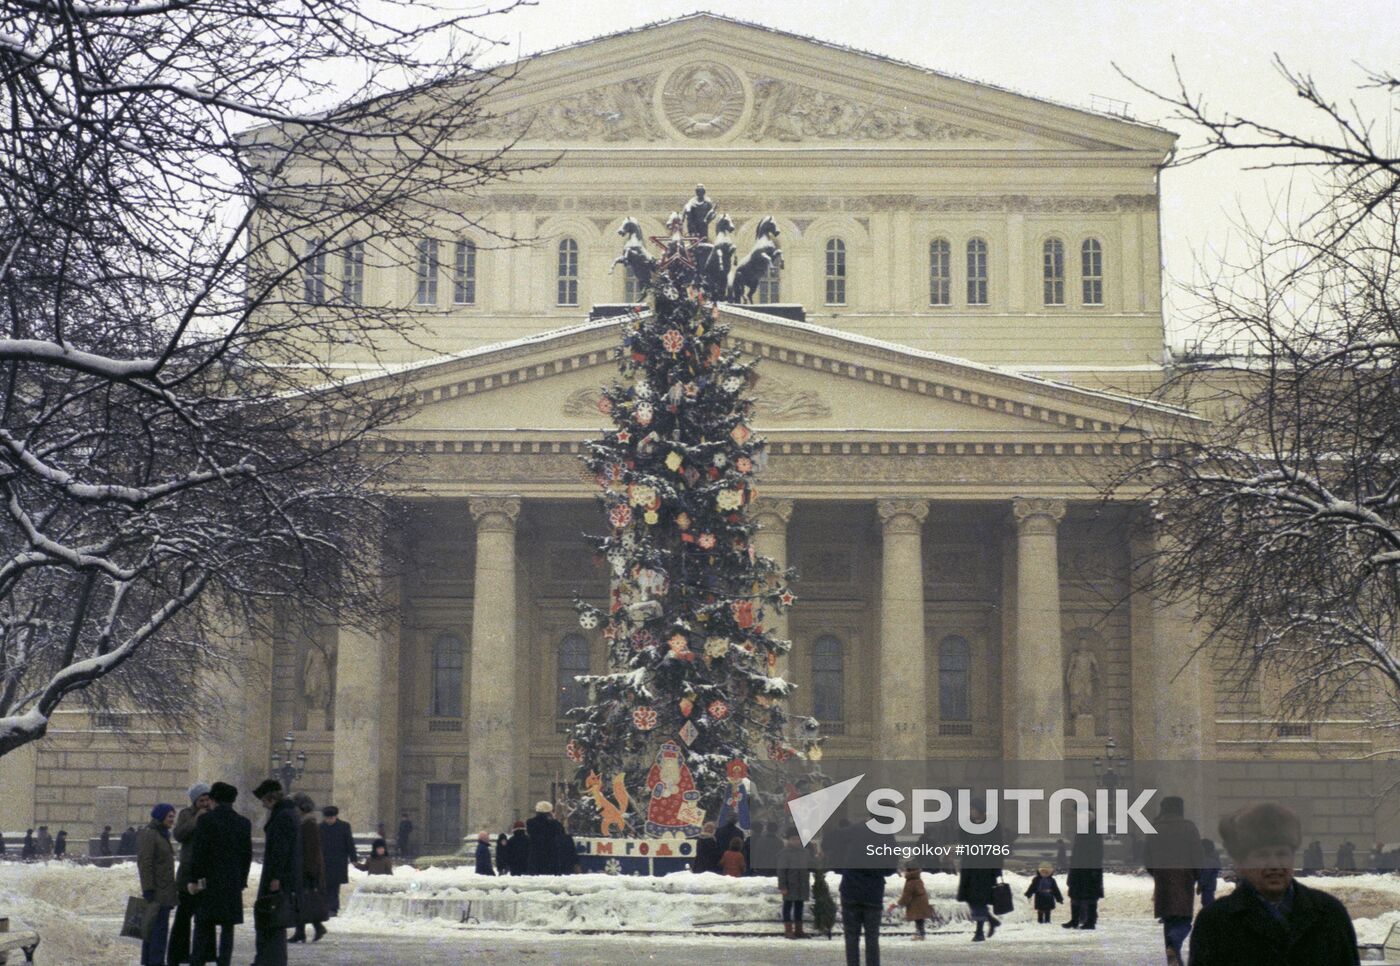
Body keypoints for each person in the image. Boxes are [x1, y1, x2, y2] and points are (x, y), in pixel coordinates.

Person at [1189, 802, 1360, 965]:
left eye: (1282, 854)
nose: (1274, 865)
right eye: (1262, 855)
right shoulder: (1214, 923)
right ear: (1241, 863)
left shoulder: (1330, 914)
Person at [188, 781, 252, 966]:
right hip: (232, 882)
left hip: (209, 882)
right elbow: (246, 856)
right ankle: (224, 962)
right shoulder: (243, 823)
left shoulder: (206, 821)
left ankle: (198, 962)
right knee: (227, 928)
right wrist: (241, 880)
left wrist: (194, 879)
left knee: (203, 925)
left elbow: (199, 853)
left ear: (214, 800)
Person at [1143, 795, 1204, 966]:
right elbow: (1197, 854)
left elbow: (1147, 856)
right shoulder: (1189, 827)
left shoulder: (1155, 828)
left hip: (1163, 879)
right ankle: (1174, 944)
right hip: (1184, 878)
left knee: (1168, 920)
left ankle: (1172, 955)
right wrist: (1199, 876)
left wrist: (1156, 873)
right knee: (1184, 920)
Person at [832, 817, 895, 966]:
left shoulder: (855, 829)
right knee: (872, 937)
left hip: (850, 890)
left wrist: (844, 864)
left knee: (851, 937)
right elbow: (891, 867)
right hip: (872, 893)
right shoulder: (886, 836)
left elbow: (833, 840)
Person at [252, 779, 299, 966]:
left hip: (277, 876)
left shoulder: (283, 816)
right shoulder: (287, 813)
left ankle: (269, 959)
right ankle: (269, 958)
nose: (263, 804)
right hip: (280, 874)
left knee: (271, 918)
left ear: (271, 798)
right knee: (273, 918)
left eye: (263, 800)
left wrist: (275, 877)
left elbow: (280, 850)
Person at [169, 781, 213, 966]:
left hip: (206, 872)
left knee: (205, 915)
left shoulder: (213, 815)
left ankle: (206, 953)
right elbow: (179, 834)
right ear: (195, 801)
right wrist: (196, 820)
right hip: (188, 873)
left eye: (206, 799)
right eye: (201, 800)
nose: (204, 803)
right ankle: (179, 954)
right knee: (184, 914)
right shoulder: (186, 814)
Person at [136, 804, 178, 966]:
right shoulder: (150, 834)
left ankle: (151, 962)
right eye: (170, 817)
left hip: (164, 892)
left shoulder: (162, 834)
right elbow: (145, 863)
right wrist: (148, 889)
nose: (172, 820)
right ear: (160, 817)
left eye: (173, 817)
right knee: (157, 932)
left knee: (153, 931)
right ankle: (155, 962)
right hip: (157, 892)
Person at [956, 799, 1003, 943]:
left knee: (979, 899)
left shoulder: (993, 826)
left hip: (985, 869)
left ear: (981, 810)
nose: (971, 811)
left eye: (973, 809)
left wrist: (997, 869)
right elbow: (963, 842)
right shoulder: (966, 825)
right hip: (969, 868)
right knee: (970, 898)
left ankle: (979, 931)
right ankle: (990, 920)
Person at [289, 793, 327, 944]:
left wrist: (311, 871)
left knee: (305, 900)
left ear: (302, 807)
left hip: (306, 869)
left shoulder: (308, 824)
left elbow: (312, 850)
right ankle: (302, 931)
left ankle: (313, 928)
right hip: (302, 867)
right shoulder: (303, 823)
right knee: (301, 900)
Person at [1064, 818, 1104, 930]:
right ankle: (1075, 920)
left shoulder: (1094, 832)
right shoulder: (1081, 831)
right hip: (1078, 867)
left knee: (1089, 895)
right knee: (1075, 894)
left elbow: (1097, 852)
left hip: (1088, 868)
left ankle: (1090, 921)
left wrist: (1094, 869)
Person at [318, 806, 356, 917]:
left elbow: (349, 843)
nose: (329, 820)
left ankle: (333, 908)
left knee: (334, 886)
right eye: (327, 818)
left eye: (331, 818)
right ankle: (324, 907)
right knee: (323, 886)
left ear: (335, 816)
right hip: (323, 861)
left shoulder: (344, 826)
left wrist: (353, 858)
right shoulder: (320, 827)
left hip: (338, 861)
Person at [775, 829, 810, 938]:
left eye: (798, 839)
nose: (796, 841)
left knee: (799, 906)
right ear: (789, 840)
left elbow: (810, 865)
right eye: (793, 839)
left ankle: (799, 930)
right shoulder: (785, 853)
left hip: (801, 884)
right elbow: (781, 871)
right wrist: (782, 886)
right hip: (790, 884)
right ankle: (788, 930)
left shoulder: (805, 852)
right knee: (788, 906)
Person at [896, 864, 933, 940]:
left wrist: (900, 903)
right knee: (920, 920)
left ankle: (920, 934)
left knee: (918, 919)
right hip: (921, 902)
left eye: (905, 870)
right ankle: (921, 934)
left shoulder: (911, 881)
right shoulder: (917, 879)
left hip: (917, 904)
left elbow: (907, 895)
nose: (904, 872)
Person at [526, 801, 561, 875]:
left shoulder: (530, 823)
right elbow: (560, 835)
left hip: (535, 857)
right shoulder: (554, 824)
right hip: (551, 857)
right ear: (549, 812)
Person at [1198, 838, 1222, 908]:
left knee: (1207, 903)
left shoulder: (1208, 860)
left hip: (1207, 887)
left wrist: (1200, 884)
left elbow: (1206, 874)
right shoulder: (1212, 858)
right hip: (1210, 886)